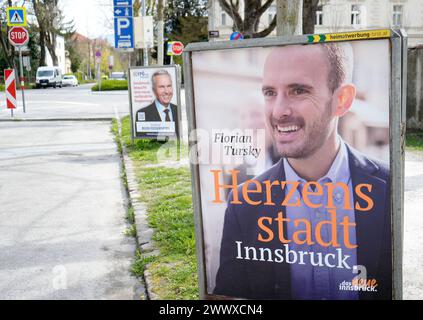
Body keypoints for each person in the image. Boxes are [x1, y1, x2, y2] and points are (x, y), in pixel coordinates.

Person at [213, 43, 391, 300]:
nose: (278, 111)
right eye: (270, 92)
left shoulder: (389, 188)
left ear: (342, 100)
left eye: (298, 91)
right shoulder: (243, 203)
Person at [135, 69, 179, 137]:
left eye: (169, 86)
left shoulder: (178, 110)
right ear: (154, 90)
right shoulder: (144, 114)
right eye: (162, 87)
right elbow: (143, 143)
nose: (166, 91)